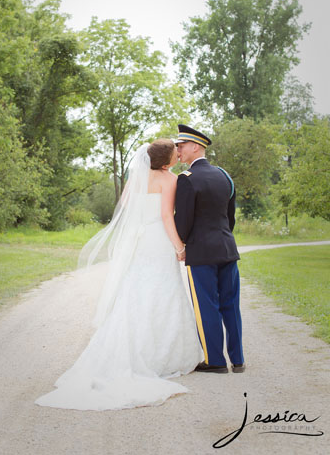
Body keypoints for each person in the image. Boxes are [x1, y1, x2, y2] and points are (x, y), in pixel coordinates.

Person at [36, 139, 203, 410]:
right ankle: (164, 357)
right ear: (166, 161)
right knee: (163, 290)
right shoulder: (170, 180)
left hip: (138, 242)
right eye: (175, 152)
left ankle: (127, 350)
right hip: (157, 240)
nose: (178, 153)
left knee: (135, 291)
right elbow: (165, 216)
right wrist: (178, 246)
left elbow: (126, 206)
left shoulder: (135, 179)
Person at [174, 124, 244, 374]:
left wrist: (180, 244)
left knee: (206, 306)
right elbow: (229, 217)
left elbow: (183, 222)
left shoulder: (187, 179)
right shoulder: (224, 175)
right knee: (230, 305)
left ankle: (214, 360)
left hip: (201, 253)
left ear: (195, 147)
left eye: (181, 146)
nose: (178, 150)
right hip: (227, 249)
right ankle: (238, 360)